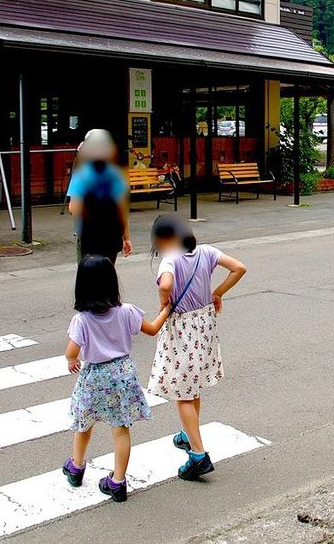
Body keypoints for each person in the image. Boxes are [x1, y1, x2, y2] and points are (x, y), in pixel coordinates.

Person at [62, 255, 171, 502]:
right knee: (120, 429)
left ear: (82, 287)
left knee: (85, 423)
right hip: (122, 374)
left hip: (95, 376)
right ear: (113, 283)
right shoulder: (127, 312)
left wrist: (72, 361)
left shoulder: (82, 320)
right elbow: (153, 329)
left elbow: (71, 352)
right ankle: (118, 482)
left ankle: (77, 467)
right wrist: (166, 310)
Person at [147, 215, 247, 480]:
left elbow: (166, 284)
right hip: (204, 326)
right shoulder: (207, 251)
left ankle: (199, 455)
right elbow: (239, 268)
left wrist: (162, 301)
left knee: (182, 394)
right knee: (193, 387)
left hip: (181, 329)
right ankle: (187, 434)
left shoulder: (170, 259)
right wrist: (218, 293)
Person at [67, 129, 131, 263]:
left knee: (88, 276)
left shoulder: (81, 174)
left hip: (88, 235)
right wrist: (126, 238)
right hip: (112, 235)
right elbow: (122, 210)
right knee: (107, 275)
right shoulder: (116, 174)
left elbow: (73, 208)